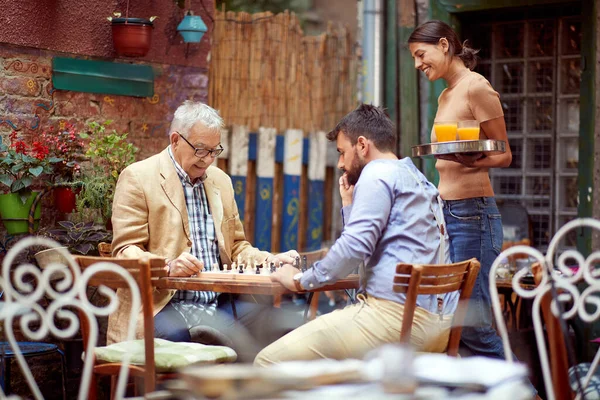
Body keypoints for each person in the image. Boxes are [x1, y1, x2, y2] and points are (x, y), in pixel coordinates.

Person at [254, 104, 456, 366]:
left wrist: (299, 280)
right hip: (439, 327)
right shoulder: (415, 177)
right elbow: (365, 251)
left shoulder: (377, 173)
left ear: (362, 145)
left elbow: (353, 248)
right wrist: (349, 206)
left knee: (267, 361)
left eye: (341, 152)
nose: (340, 163)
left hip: (395, 322)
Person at [109, 100, 298, 359]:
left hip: (219, 305)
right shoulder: (138, 178)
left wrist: (270, 260)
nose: (208, 159)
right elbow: (124, 251)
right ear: (176, 140)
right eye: (200, 150)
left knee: (283, 326)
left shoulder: (221, 181)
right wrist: (167, 266)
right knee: (178, 342)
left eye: (214, 151)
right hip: (162, 305)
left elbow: (236, 247)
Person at [408, 21, 513, 361]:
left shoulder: (476, 87)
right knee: (453, 318)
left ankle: (523, 392)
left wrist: (468, 159)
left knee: (472, 322)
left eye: (421, 55)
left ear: (443, 45)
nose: (417, 64)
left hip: (473, 214)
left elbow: (504, 153)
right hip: (449, 213)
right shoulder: (445, 94)